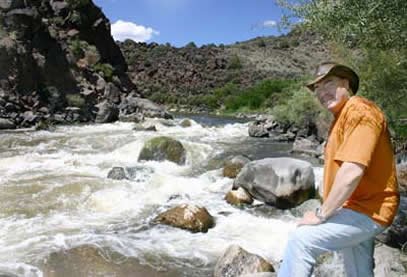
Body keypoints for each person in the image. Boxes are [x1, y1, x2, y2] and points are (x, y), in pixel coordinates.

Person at [278, 62, 400, 277]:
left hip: (369, 210)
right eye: (318, 88)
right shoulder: (341, 117)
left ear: (347, 83)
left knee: (301, 241)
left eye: (329, 84)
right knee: (358, 271)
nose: (323, 92)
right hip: (354, 207)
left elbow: (352, 170)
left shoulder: (361, 111)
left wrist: (321, 214)